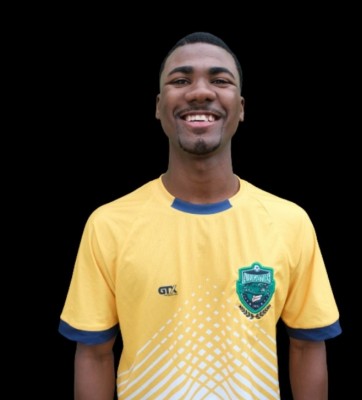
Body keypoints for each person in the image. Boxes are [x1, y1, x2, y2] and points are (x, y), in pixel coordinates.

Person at [59, 31, 342, 400]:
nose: (200, 92)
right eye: (181, 80)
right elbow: (94, 354)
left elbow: (306, 345)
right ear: (158, 106)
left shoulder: (290, 223)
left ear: (241, 107)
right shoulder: (108, 225)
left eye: (220, 80)